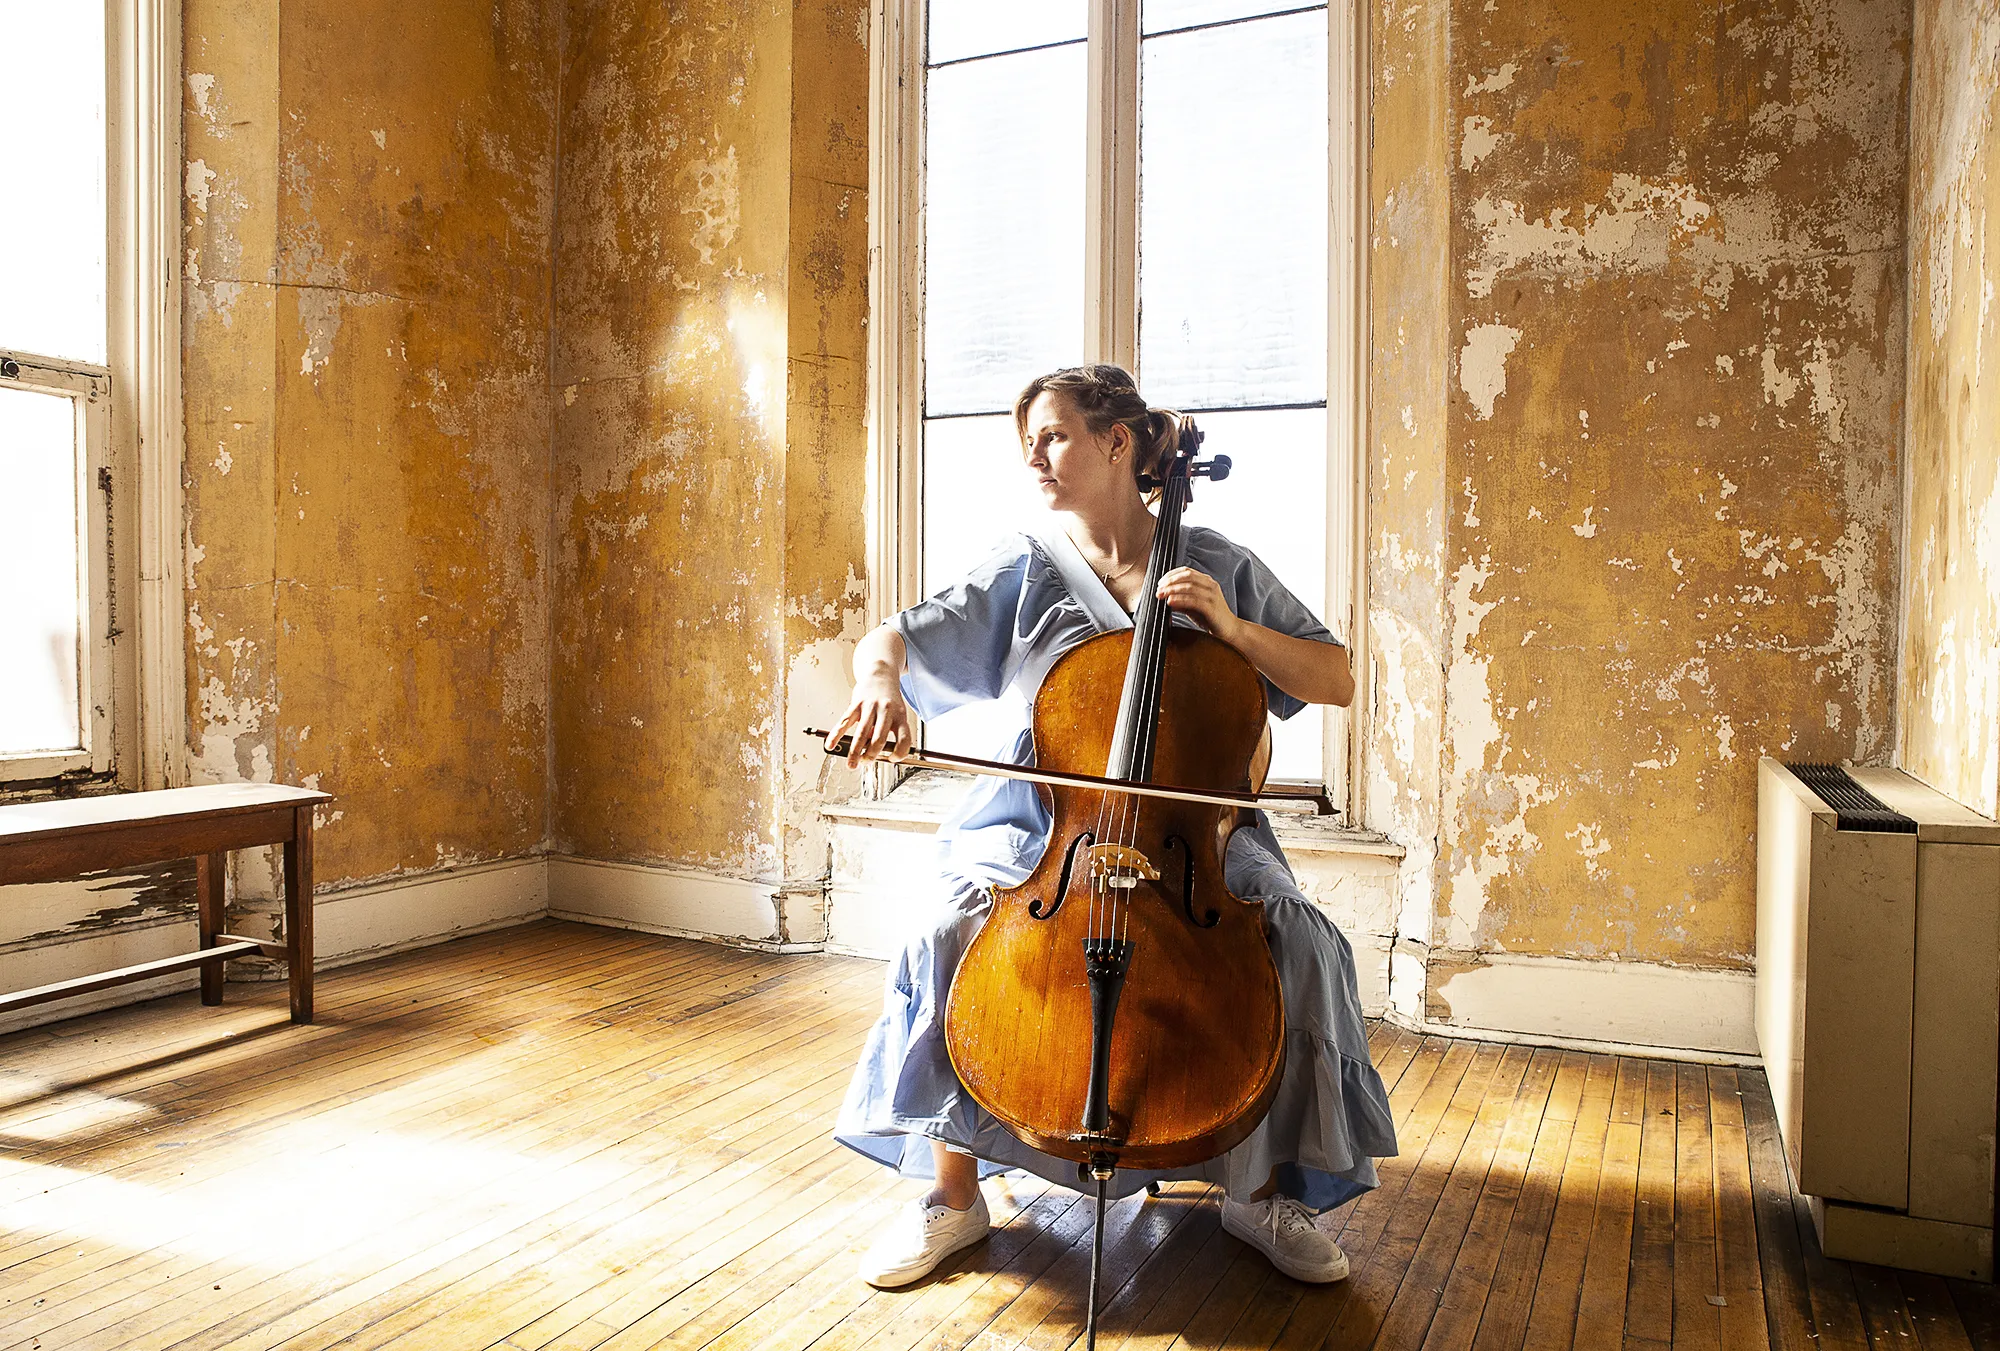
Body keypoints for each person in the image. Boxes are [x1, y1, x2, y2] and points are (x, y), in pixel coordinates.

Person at [826, 364, 1397, 1291]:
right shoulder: (1024, 571)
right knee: (945, 929)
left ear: (1117, 443)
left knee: (1299, 940)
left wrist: (1234, 630)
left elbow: (1332, 677)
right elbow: (892, 636)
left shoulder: (1215, 561)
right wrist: (879, 683)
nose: (1035, 457)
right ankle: (953, 1194)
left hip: (1196, 832)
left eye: (1053, 436)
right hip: (1046, 825)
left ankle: (1263, 1190)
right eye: (1028, 443)